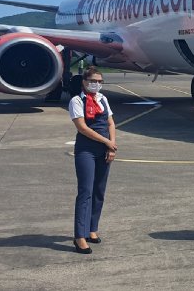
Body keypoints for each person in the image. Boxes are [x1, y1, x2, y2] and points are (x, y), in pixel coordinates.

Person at [69, 67, 117, 254]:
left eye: (99, 81)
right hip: (86, 150)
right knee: (85, 192)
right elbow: (82, 127)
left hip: (104, 149)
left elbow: (111, 123)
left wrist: (111, 144)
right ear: (84, 81)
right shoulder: (76, 101)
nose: (95, 84)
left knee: (99, 191)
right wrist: (107, 142)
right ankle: (79, 236)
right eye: (92, 81)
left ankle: (92, 229)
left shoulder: (103, 99)